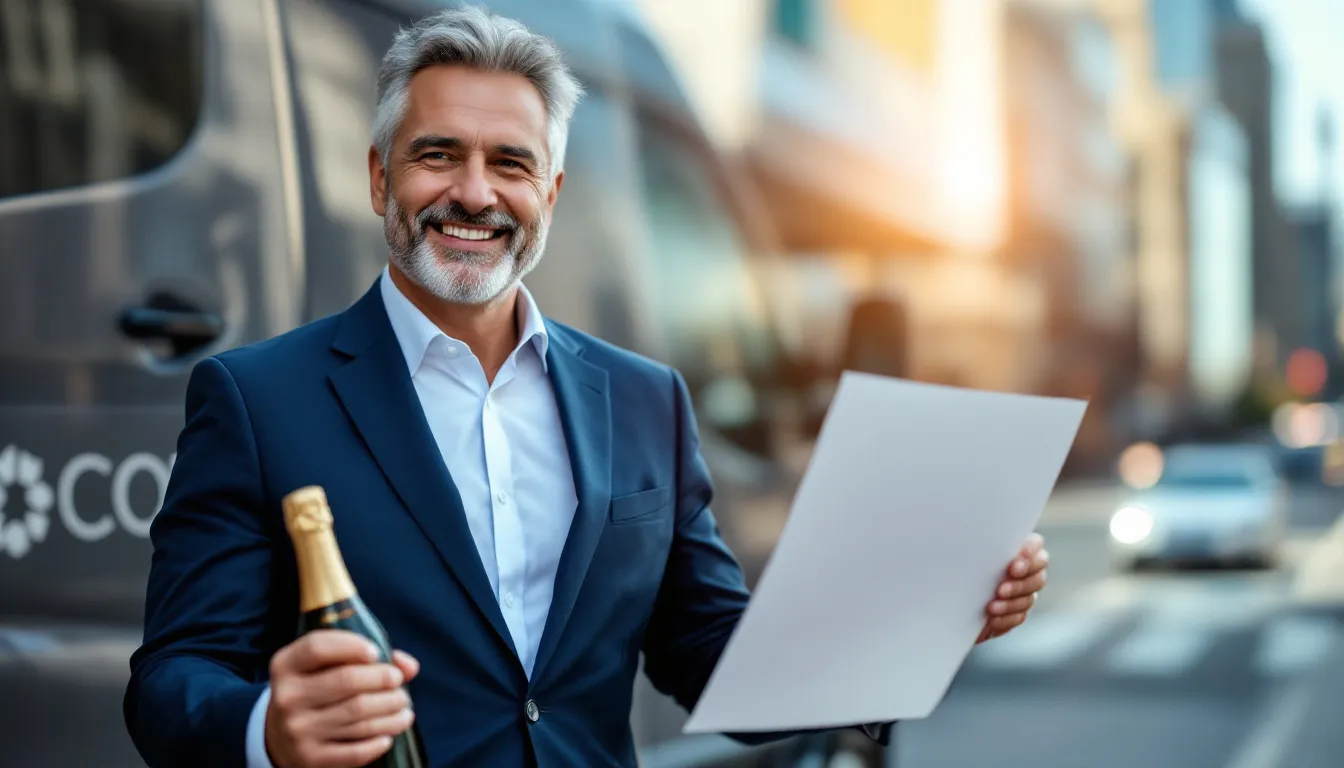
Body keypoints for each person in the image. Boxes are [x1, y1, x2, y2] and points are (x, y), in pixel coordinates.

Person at [122, 7, 1050, 768]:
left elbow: (712, 656)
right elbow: (173, 680)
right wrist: (268, 731)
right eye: (438, 154)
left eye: (511, 163)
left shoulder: (647, 399)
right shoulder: (254, 399)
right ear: (379, 178)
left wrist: (931, 616)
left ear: (552, 194)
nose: (476, 194)